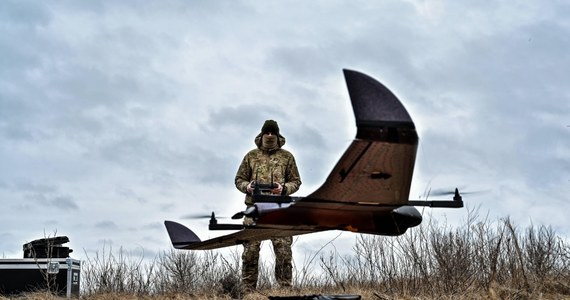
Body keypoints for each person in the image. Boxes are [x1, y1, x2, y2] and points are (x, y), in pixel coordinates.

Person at [235, 120, 302, 290]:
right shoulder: (251, 156)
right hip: (254, 210)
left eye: (273, 133)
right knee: (250, 251)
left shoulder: (287, 157)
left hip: (279, 210)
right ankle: (248, 290)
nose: (270, 136)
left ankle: (285, 289)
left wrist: (284, 189)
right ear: (262, 134)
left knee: (283, 252)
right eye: (267, 132)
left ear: (278, 135)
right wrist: (247, 187)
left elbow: (296, 181)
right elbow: (239, 180)